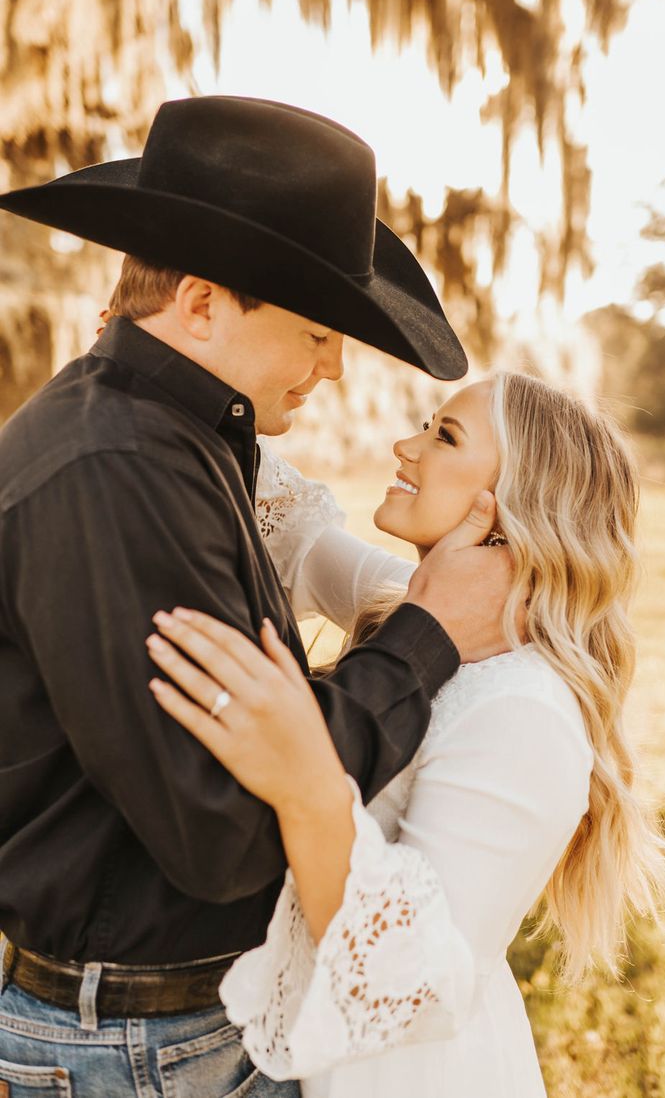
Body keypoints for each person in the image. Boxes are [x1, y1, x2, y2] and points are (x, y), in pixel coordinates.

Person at [0, 97, 514, 1097]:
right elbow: (224, 832)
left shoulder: (176, 440)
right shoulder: (118, 471)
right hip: (141, 1048)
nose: (332, 367)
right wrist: (426, 637)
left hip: (161, 1028)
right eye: (318, 331)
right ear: (198, 304)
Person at [147, 373, 665, 1098]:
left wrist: (305, 784)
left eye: (445, 436)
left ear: (511, 507)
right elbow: (304, 543)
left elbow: (414, 975)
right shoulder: (421, 604)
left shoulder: (526, 710)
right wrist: (171, 374)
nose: (406, 446)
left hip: (407, 1076)